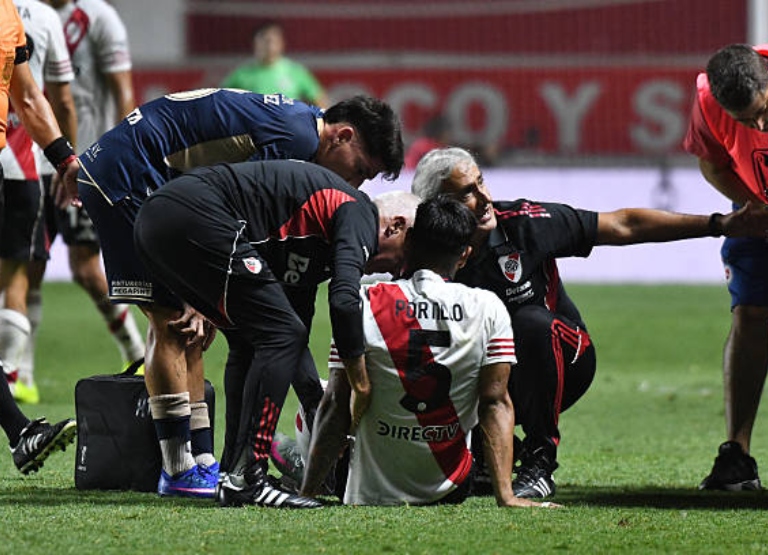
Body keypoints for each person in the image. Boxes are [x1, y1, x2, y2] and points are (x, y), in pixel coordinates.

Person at [65, 89, 403, 498]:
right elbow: (233, 213)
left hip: (135, 169)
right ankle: (179, 469)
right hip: (131, 177)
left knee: (198, 326)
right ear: (342, 135)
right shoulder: (296, 140)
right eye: (361, 171)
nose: (354, 184)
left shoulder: (298, 123)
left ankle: (207, 462)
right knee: (172, 321)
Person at [409, 146, 768, 499]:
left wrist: (719, 224)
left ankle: (539, 462)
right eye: (467, 193)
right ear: (437, 208)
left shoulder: (524, 223)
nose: (484, 198)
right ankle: (481, 452)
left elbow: (623, 224)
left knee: (531, 322)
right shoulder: (415, 249)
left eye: (481, 182)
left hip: (562, 359)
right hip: (480, 373)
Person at [133, 159, 405, 508]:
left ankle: (234, 471)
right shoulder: (359, 213)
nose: (393, 273)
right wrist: (359, 383)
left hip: (157, 222)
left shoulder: (311, 245)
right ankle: (249, 477)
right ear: (395, 227)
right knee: (279, 334)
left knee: (253, 341)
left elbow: (294, 339)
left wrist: (314, 403)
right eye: (399, 261)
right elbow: (343, 301)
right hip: (193, 214)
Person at [299, 195, 555, 508]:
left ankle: (300, 472)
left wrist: (307, 496)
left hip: (368, 488)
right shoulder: (488, 308)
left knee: (322, 393)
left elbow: (337, 403)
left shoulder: (365, 302)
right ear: (464, 256)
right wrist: (507, 495)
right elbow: (495, 403)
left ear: (409, 243)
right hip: (452, 487)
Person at [26, 0, 144, 389]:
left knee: (87, 268)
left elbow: (123, 93)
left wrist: (120, 157)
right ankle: (20, 374)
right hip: (30, 160)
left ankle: (135, 351)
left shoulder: (98, 18)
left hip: (85, 162)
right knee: (26, 268)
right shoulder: (25, 14)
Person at [683, 43, 768, 491]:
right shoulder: (706, 102)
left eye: (762, 113)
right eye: (745, 121)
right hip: (758, 205)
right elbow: (713, 165)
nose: (757, 126)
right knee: (750, 316)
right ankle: (737, 455)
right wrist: (756, 209)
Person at [0, 0, 80, 471]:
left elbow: (28, 96)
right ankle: (19, 431)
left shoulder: (9, 15)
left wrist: (65, 159)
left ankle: (20, 432)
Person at [221, 21, 328, 108]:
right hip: (252, 132)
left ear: (281, 43)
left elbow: (320, 100)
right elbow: (220, 102)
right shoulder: (240, 75)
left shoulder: (296, 72)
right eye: (265, 40)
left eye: (273, 41)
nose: (269, 45)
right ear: (255, 43)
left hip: (287, 131)